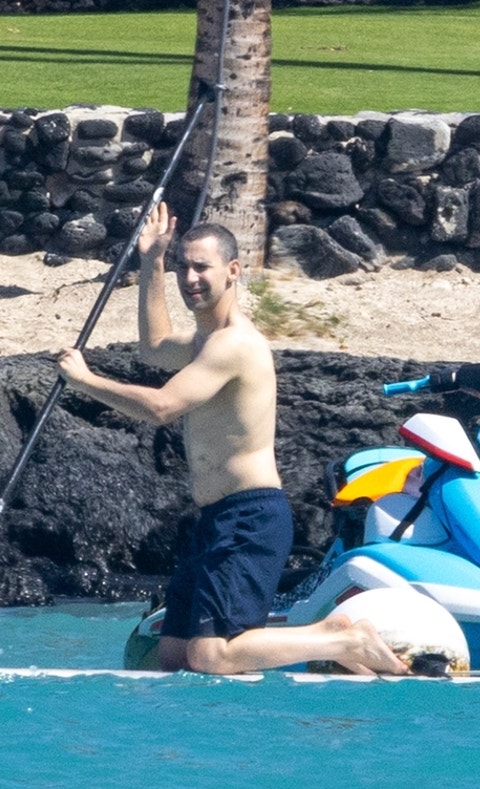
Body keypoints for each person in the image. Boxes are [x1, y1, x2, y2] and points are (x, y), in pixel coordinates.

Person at [58, 202, 407, 677]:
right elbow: (153, 347)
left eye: (202, 267)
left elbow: (162, 407)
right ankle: (332, 636)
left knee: (210, 657)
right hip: (214, 519)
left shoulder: (235, 345)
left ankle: (343, 637)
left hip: (251, 516)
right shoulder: (204, 341)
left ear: (233, 271)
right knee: (173, 655)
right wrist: (151, 262)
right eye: (184, 267)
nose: (191, 278)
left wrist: (86, 381)